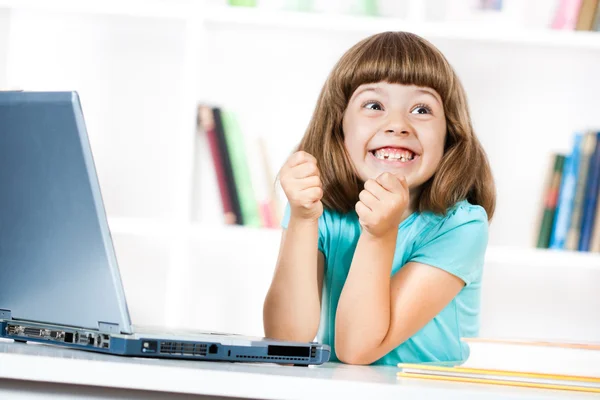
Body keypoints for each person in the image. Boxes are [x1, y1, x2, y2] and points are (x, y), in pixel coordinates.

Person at [263, 31, 496, 366]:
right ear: (338, 126)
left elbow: (357, 349)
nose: (397, 125)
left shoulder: (461, 226)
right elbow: (285, 339)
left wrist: (379, 234)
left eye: (421, 109)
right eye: (374, 105)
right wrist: (301, 219)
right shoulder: (320, 213)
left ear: (450, 134)